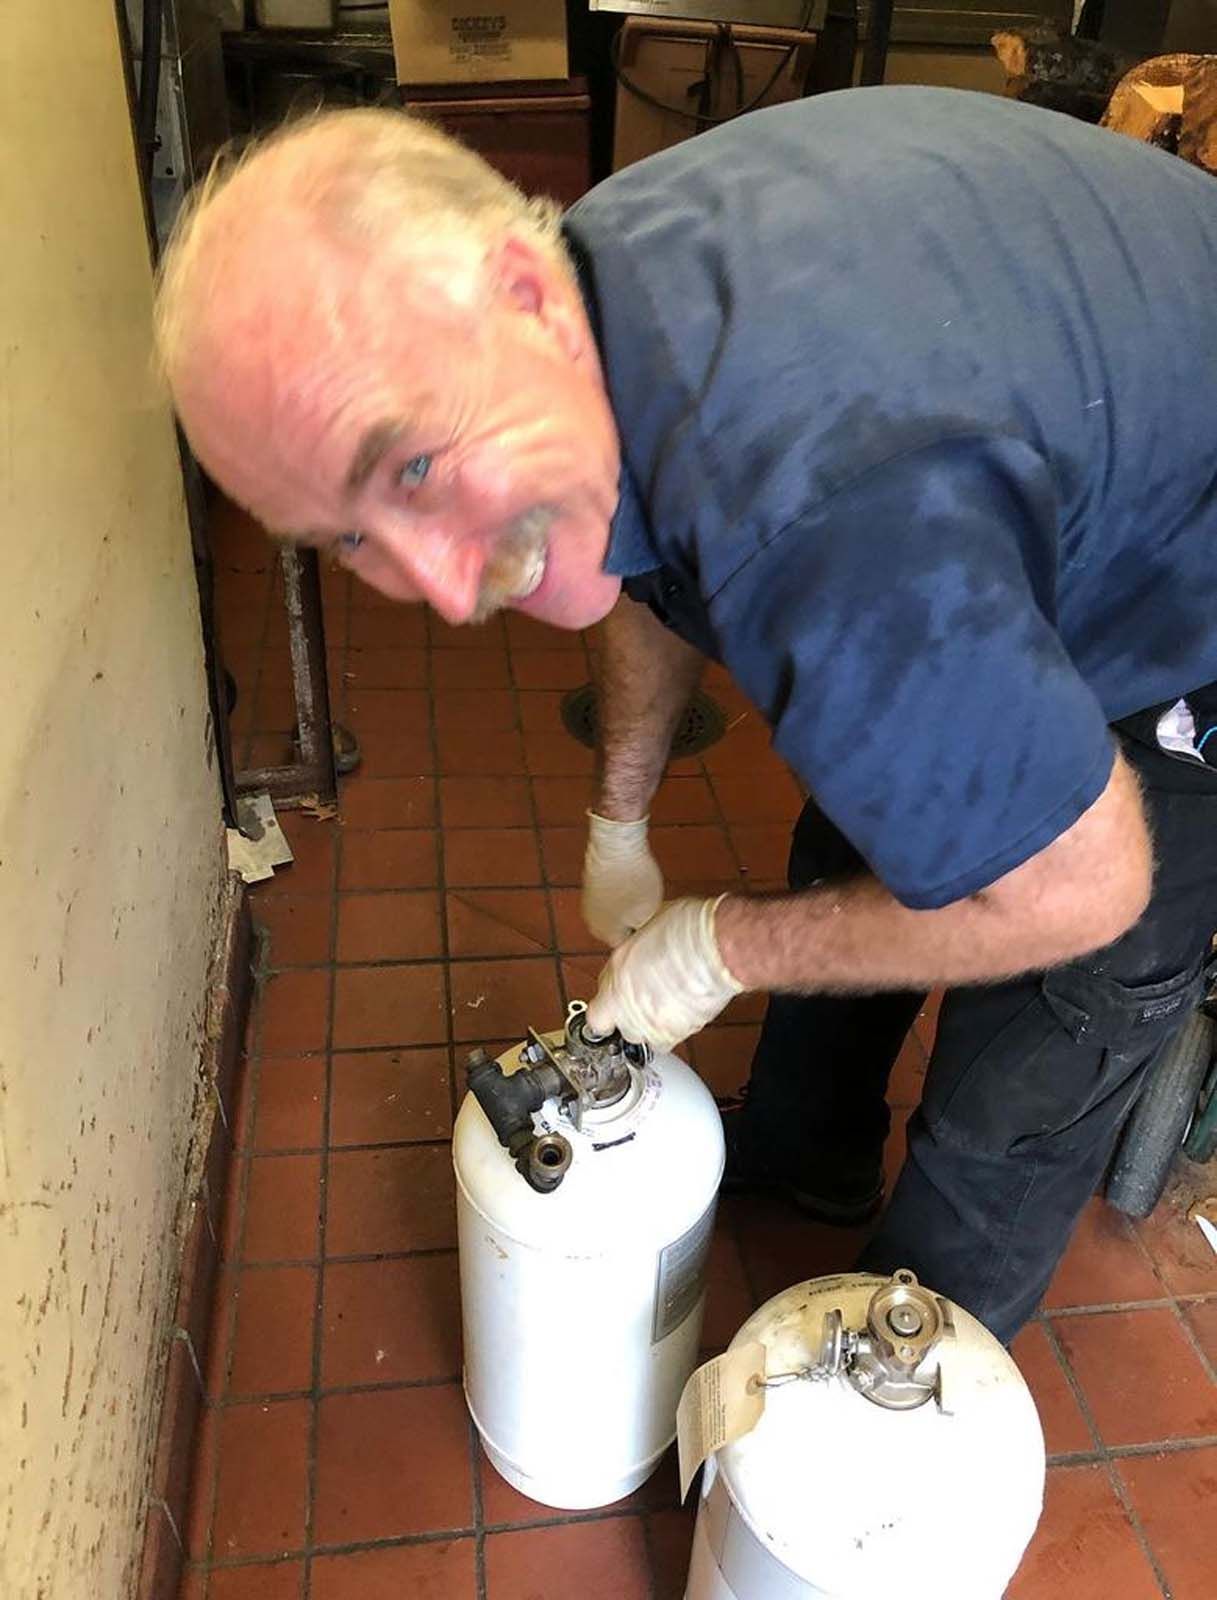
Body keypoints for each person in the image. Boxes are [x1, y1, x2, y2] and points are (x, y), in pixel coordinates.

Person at [154, 89, 1217, 1342]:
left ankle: (868, 1445)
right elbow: (639, 558)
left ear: (521, 295)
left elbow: (1079, 888)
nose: (441, 589)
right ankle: (798, 1160)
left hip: (1183, 598)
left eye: (413, 468)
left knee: (1026, 1059)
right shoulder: (593, 295)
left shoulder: (814, 497)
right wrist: (623, 817)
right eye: (349, 537)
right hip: (1009, 450)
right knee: (874, 834)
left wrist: (722, 948)